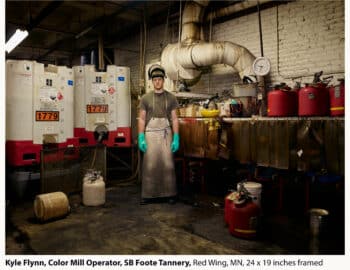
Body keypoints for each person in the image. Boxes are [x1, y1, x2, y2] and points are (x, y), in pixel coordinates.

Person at [138, 64, 180, 205]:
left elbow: (174, 118)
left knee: (168, 165)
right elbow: (142, 118)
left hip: (166, 134)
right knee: (150, 165)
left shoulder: (171, 98)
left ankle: (170, 194)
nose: (157, 81)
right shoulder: (145, 98)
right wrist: (141, 136)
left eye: (160, 79)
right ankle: (148, 195)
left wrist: (176, 137)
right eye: (155, 79)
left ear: (163, 80)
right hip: (150, 134)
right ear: (152, 81)